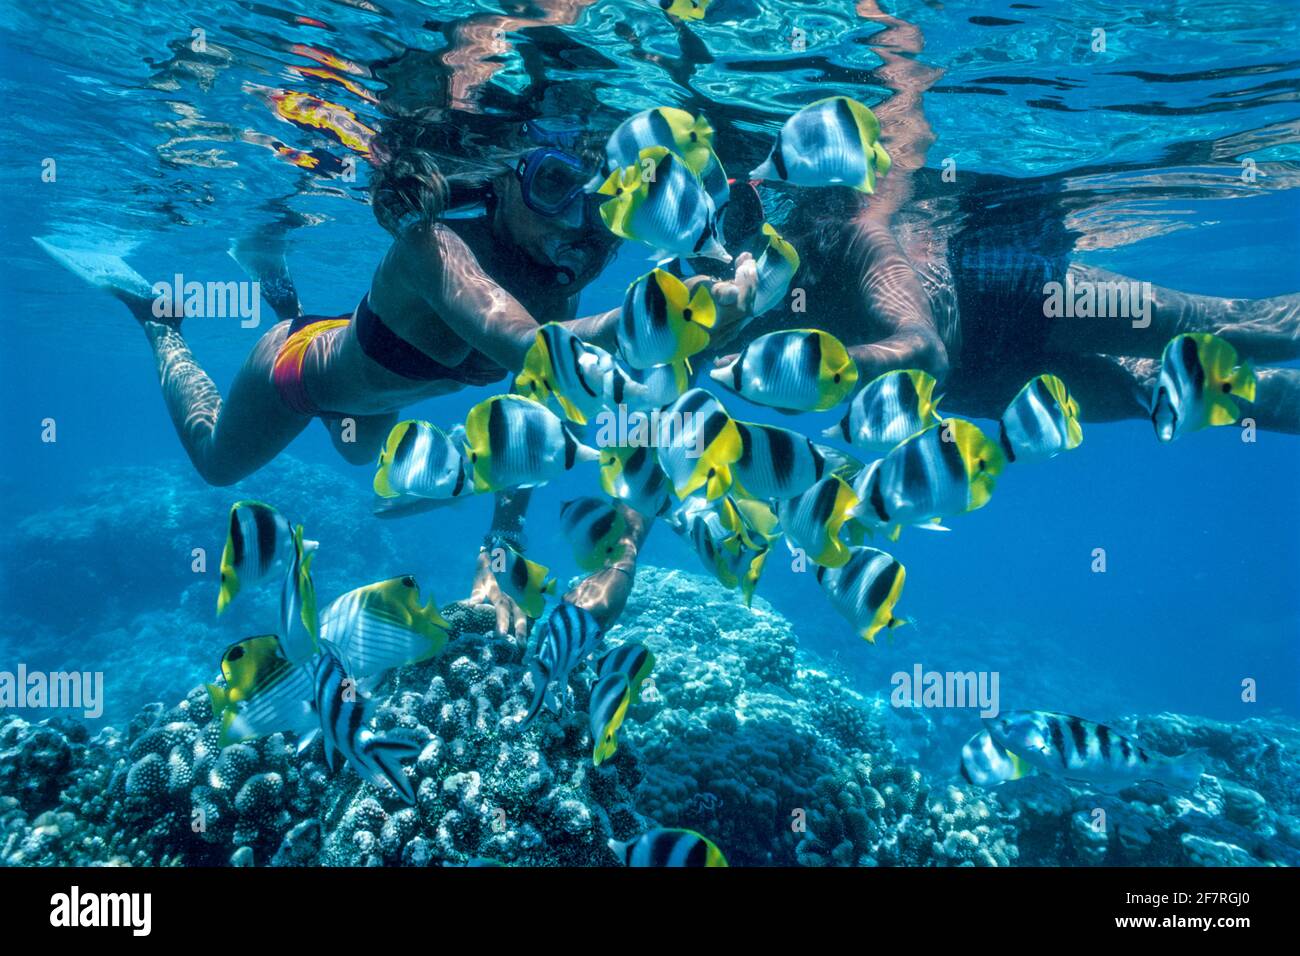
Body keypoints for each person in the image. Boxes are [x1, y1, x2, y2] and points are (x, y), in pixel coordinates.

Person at [40, 120, 757, 639]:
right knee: (218, 464)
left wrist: (499, 545)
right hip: (297, 373)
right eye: (555, 185)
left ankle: (275, 279)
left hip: (378, 403)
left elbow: (531, 412)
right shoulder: (434, 246)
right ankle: (159, 321)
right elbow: (523, 347)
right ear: (505, 183)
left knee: (357, 451)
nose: (584, 221)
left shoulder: (557, 286)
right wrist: (667, 321)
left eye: (610, 202)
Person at [715, 0, 1299, 433]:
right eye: (721, 214)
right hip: (981, 385)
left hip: (1009, 292)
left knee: (1229, 327)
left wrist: (828, 369)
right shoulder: (711, 284)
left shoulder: (851, 231)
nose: (729, 236)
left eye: (741, 205)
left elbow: (922, 348)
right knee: (1179, 394)